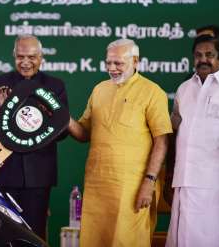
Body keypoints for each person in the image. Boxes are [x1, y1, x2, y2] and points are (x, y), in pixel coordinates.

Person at [68, 38, 172, 247]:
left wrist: (149, 182)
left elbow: (162, 141)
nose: (112, 68)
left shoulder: (152, 92)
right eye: (108, 63)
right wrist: (62, 118)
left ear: (135, 61)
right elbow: (83, 133)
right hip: (98, 186)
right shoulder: (99, 90)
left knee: (127, 241)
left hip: (132, 188)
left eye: (118, 63)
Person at [0, 34, 68, 240]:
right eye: (20, 57)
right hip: (5, 171)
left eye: (31, 57)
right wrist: (3, 110)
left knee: (34, 234)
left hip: (39, 174)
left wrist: (47, 118)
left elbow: (62, 132)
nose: (26, 62)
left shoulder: (55, 86)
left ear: (41, 57)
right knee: (2, 233)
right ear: (13, 56)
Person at [165, 35, 219, 247]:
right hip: (183, 180)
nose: (203, 60)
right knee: (180, 240)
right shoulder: (184, 89)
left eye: (209, 55)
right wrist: (169, 175)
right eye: (198, 55)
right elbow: (175, 132)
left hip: (213, 185)